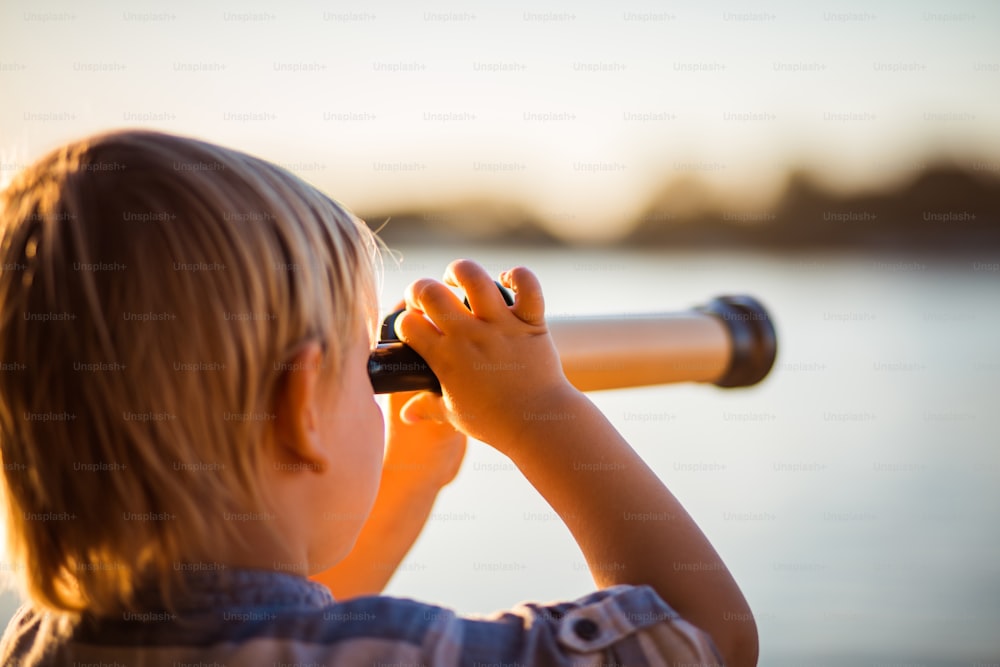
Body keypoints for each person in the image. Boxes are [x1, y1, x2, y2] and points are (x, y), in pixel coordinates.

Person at [0, 129, 758, 666]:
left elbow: (289, 605)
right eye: (364, 367)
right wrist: (540, 412)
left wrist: (410, 475)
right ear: (302, 408)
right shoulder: (402, 655)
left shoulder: (43, 641)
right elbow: (705, 636)